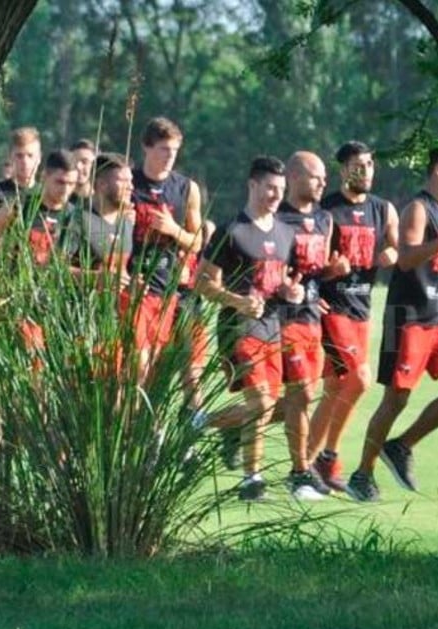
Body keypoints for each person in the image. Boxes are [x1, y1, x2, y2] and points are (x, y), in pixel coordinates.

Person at [346, 144, 438, 502]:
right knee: (396, 400)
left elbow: (433, 259)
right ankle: (362, 474)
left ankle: (401, 446)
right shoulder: (417, 209)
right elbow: (405, 260)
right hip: (409, 318)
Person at [197, 156, 312, 501]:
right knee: (261, 401)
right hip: (238, 326)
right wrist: (236, 300)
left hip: (273, 327)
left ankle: (206, 424)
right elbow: (202, 282)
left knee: (277, 404)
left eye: (280, 190)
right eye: (269, 188)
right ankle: (252, 480)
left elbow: (283, 283)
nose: (276, 195)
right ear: (252, 185)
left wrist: (294, 292)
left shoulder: (285, 232)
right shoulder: (232, 231)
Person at [307, 141, 400, 493]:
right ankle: (323, 458)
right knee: (360, 379)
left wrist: (391, 251)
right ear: (343, 170)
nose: (366, 172)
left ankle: (313, 462)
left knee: (334, 388)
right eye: (358, 166)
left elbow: (396, 246)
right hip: (332, 310)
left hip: (362, 310)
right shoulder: (327, 210)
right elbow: (307, 260)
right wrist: (329, 272)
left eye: (370, 165)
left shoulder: (383, 209)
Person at [274, 151, 337, 495]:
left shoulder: (325, 218)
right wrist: (283, 285)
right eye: (316, 176)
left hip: (314, 317)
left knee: (291, 402)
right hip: (285, 318)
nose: (323, 182)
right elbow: (264, 261)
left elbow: (320, 267)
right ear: (295, 177)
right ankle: (300, 473)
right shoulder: (277, 218)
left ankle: (224, 425)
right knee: (305, 393)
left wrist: (334, 271)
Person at [126, 117, 205, 380]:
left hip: (169, 287)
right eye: (164, 149)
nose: (170, 156)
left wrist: (173, 229)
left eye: (174, 150)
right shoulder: (129, 184)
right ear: (146, 147)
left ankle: (147, 422)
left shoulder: (185, 188)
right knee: (138, 365)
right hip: (134, 285)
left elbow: (197, 242)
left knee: (157, 373)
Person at [0, 126, 42, 248]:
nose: (25, 162)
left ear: (39, 158)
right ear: (10, 157)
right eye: (19, 156)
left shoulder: (45, 195)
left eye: (30, 155)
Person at [25, 149, 80, 266]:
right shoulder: (22, 207)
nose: (66, 190)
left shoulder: (76, 217)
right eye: (60, 182)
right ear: (44, 176)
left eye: (71, 184)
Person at [69, 139, 98, 208]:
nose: (78, 166)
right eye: (74, 161)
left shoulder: (102, 203)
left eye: (85, 162)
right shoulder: (60, 201)